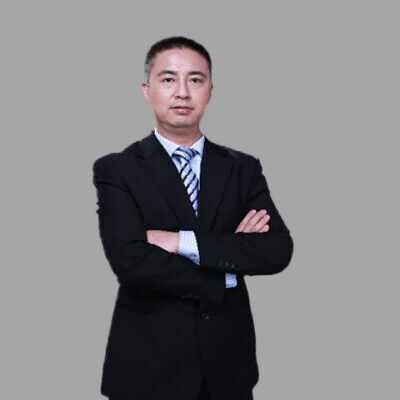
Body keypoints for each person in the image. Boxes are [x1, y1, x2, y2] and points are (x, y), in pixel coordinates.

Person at [92, 36, 293, 400]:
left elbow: (277, 250)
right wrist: (227, 268)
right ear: (147, 90)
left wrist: (179, 241)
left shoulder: (243, 169)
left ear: (210, 90)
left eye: (195, 80)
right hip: (148, 367)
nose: (182, 92)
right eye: (168, 79)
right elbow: (130, 261)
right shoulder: (117, 169)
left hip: (228, 367)